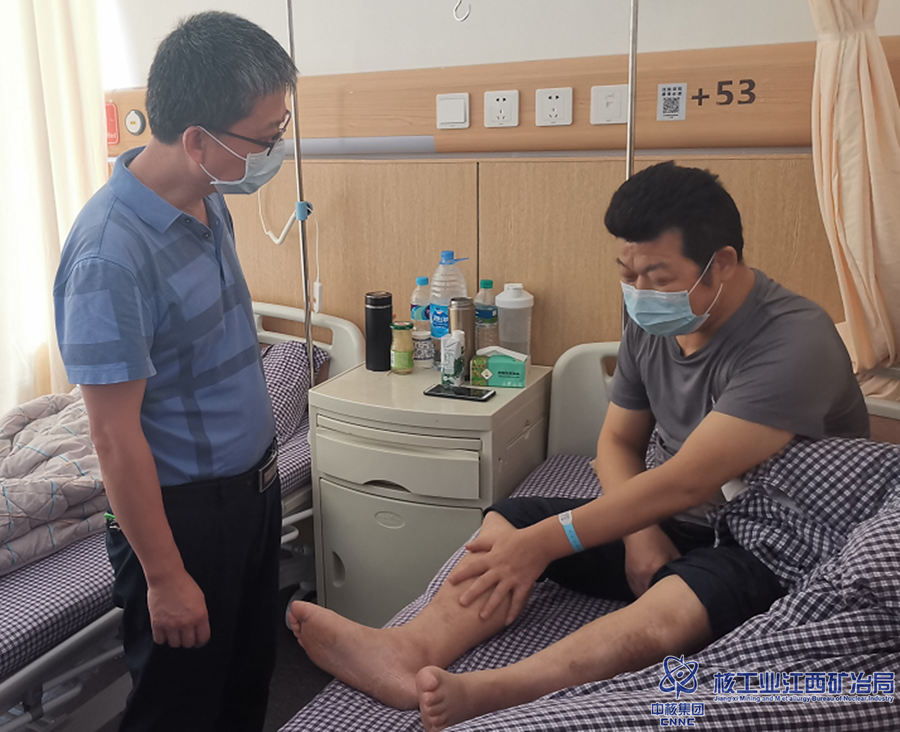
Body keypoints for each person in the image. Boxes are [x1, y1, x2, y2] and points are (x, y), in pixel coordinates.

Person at [288, 161, 869, 731]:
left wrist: (549, 543)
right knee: (511, 522)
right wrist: (638, 534)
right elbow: (616, 441)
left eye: (658, 277)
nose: (639, 292)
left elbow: (688, 478)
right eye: (627, 273)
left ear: (721, 264)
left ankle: (496, 691)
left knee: (678, 601)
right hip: (672, 517)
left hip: (777, 538)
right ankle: (409, 648)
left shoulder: (793, 342)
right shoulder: (654, 318)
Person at [53, 12, 296, 732]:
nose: (276, 152)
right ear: (198, 141)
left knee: (247, 684)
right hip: (184, 519)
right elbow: (113, 437)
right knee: (180, 710)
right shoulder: (109, 256)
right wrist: (164, 577)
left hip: (252, 495)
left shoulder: (208, 200)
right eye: (266, 137)